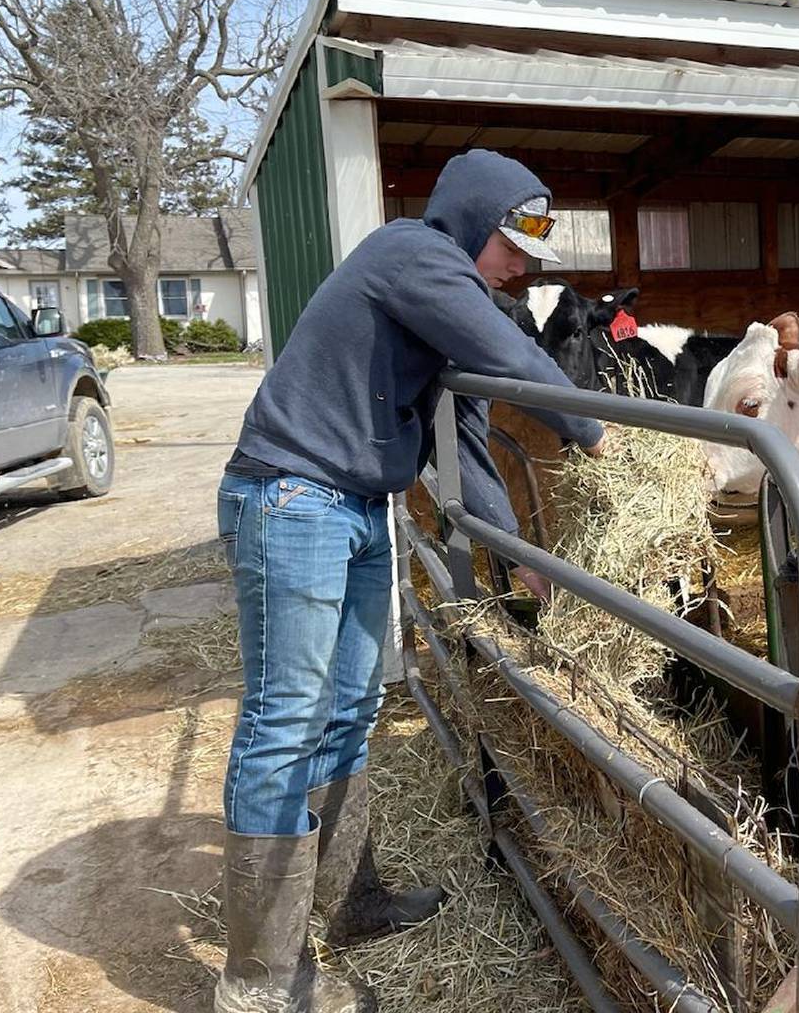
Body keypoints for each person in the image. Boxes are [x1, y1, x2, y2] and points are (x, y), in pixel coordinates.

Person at [213, 150, 605, 1013]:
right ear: (469, 219)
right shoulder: (412, 254)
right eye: (512, 241)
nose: (523, 266)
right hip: (293, 497)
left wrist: (516, 559)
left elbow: (462, 442)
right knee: (286, 720)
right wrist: (607, 437)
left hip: (351, 506)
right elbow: (514, 363)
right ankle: (259, 981)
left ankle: (352, 906)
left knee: (351, 706)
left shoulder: (439, 304)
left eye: (532, 250)